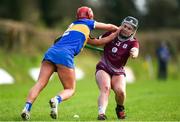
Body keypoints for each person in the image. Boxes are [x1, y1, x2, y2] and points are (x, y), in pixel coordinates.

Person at [20, 6, 119, 120]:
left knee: (40, 83)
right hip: (65, 55)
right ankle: (56, 100)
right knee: (70, 89)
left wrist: (113, 36)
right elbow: (110, 27)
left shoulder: (73, 26)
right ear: (90, 16)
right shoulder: (88, 23)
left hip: (52, 52)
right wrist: (121, 31)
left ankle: (26, 108)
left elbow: (98, 42)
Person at [94, 16, 139, 120]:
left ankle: (120, 108)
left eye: (129, 28)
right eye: (125, 26)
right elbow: (97, 41)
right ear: (121, 25)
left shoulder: (133, 42)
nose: (126, 29)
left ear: (133, 31)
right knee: (106, 88)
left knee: (121, 92)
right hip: (104, 66)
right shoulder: (111, 33)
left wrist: (134, 53)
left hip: (118, 70)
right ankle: (101, 114)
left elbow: (135, 50)